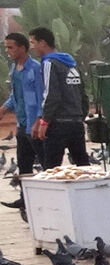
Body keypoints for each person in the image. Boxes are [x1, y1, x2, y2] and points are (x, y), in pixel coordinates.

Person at [27, 27, 90, 168]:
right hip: (76, 123)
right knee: (83, 166)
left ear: (42, 42)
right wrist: (80, 117)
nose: (32, 47)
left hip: (58, 124)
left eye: (33, 42)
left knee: (52, 168)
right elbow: (82, 95)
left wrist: (45, 121)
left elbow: (51, 95)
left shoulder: (49, 63)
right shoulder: (71, 63)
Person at [0, 33, 44, 178]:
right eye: (6, 47)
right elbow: (16, 95)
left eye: (10, 47)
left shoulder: (35, 69)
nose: (7, 51)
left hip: (35, 125)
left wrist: (38, 121)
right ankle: (24, 198)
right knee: (24, 164)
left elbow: (42, 97)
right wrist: (4, 109)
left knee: (45, 163)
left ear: (22, 48)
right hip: (22, 124)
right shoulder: (14, 69)